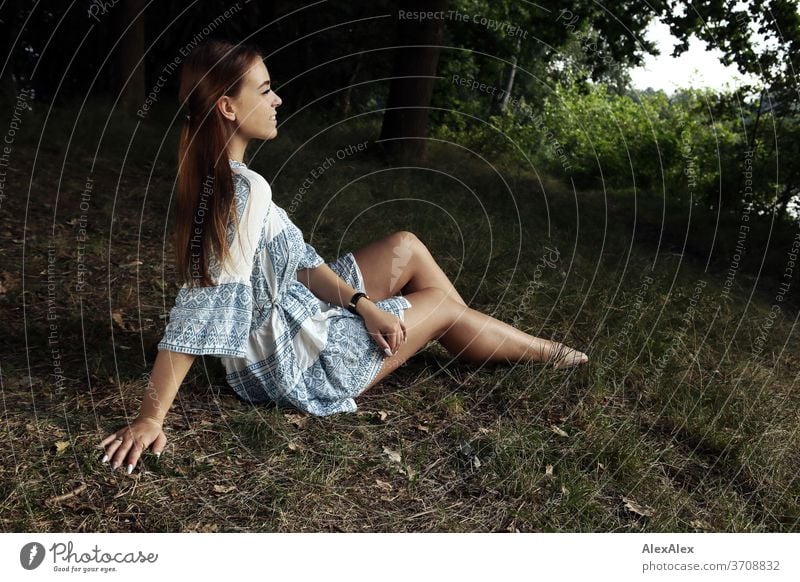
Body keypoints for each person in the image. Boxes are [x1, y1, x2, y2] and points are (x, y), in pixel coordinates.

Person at [98, 39, 588, 475]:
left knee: (407, 245)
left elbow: (301, 263)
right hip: (287, 367)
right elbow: (203, 302)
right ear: (227, 107)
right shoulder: (246, 191)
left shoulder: (218, 176)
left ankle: (450, 334)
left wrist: (361, 302)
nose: (277, 100)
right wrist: (150, 417)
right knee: (443, 305)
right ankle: (540, 350)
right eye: (265, 90)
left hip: (284, 324)